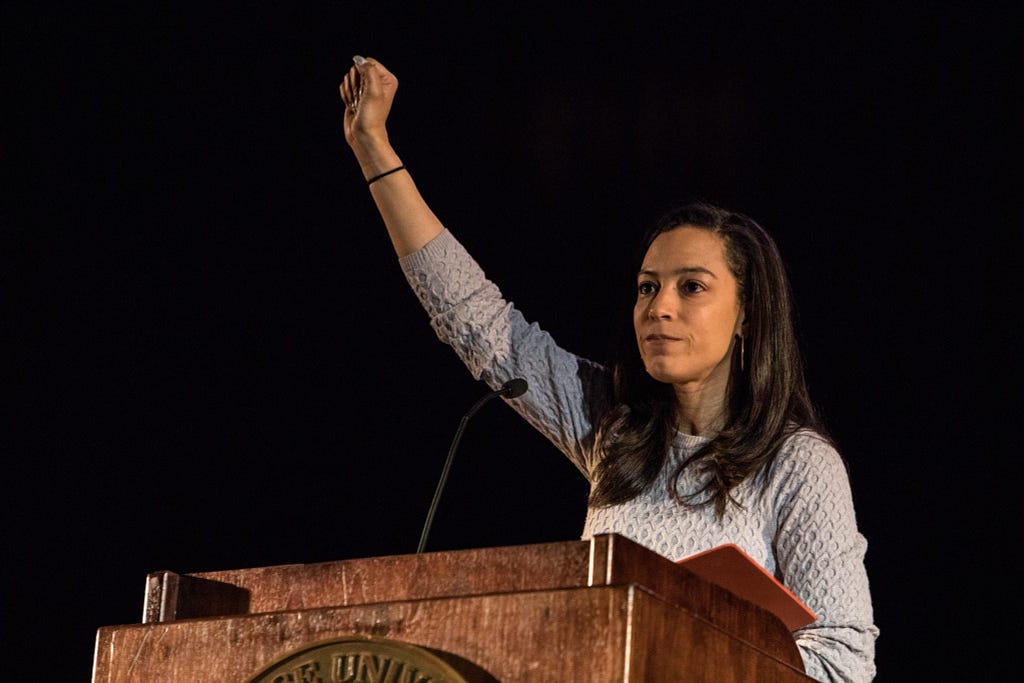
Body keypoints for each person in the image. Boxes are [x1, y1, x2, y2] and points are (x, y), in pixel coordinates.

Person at [338, 55, 878, 682]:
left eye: (691, 287)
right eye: (647, 288)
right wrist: (373, 148)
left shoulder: (799, 465)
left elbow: (845, 662)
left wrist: (694, 643)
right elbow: (475, 318)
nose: (660, 308)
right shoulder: (611, 424)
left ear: (749, 316)